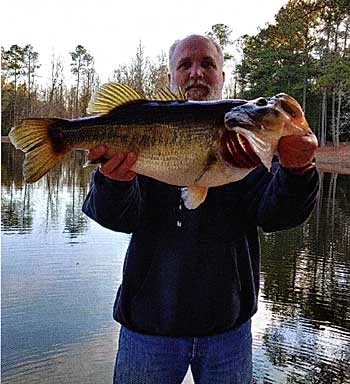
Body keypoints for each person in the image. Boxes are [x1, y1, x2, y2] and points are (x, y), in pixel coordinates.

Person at [82, 34, 319, 384]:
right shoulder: (144, 131)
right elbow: (117, 217)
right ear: (169, 79)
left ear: (222, 77)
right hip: (150, 326)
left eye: (208, 64)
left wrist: (298, 171)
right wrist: (115, 182)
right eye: (185, 64)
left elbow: (276, 215)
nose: (197, 73)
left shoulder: (248, 147)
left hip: (228, 331)